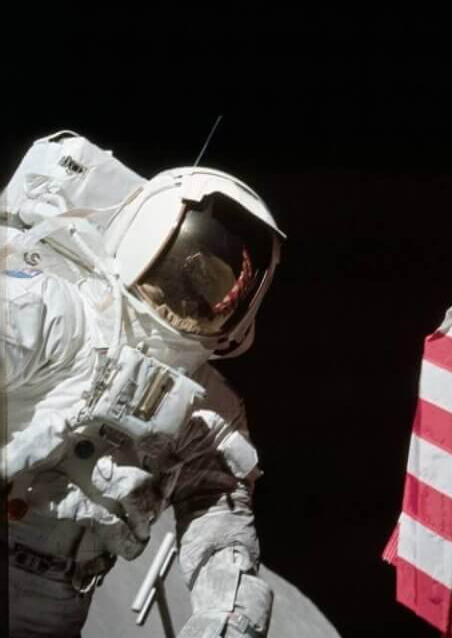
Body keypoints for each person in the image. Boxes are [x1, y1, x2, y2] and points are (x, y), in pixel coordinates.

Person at [1, 132, 284, 637]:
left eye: (218, 287)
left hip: (56, 609)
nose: (198, 295)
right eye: (190, 266)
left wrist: (227, 616)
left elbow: (218, 526)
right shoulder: (57, 315)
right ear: (146, 235)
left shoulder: (208, 411)